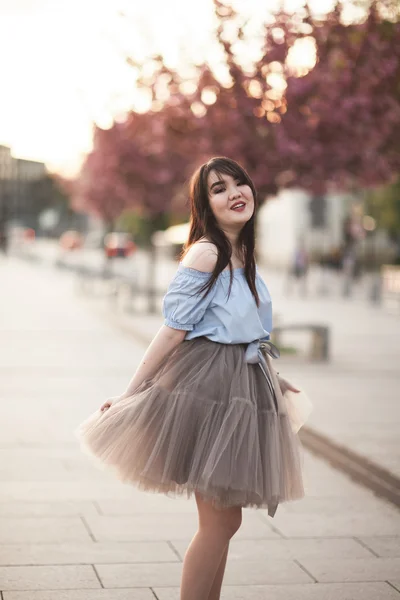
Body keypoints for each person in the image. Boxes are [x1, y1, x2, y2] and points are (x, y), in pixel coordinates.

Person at [76, 157, 306, 600]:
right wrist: (130, 393)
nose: (235, 192)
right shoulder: (208, 252)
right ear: (204, 205)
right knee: (219, 522)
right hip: (209, 390)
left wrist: (275, 380)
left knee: (227, 521)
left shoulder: (241, 253)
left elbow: (246, 331)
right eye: (219, 189)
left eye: (239, 182)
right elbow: (173, 330)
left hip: (244, 383)